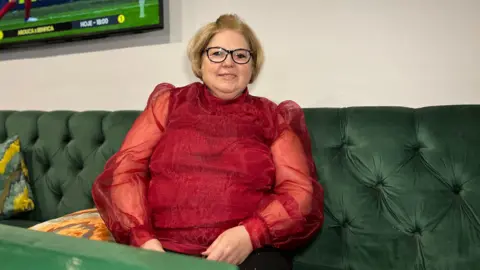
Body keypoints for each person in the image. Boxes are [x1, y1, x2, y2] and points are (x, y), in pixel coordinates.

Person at [92, 13, 324, 270]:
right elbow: (128, 170)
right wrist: (143, 239)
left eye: (240, 55)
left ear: (252, 66)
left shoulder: (272, 117)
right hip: (162, 249)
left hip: (248, 251)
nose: (228, 63)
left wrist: (251, 234)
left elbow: (298, 191)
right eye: (217, 53)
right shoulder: (168, 103)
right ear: (200, 61)